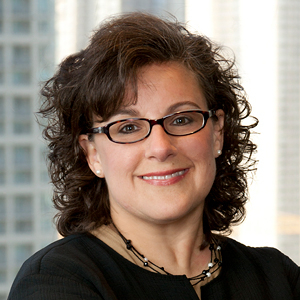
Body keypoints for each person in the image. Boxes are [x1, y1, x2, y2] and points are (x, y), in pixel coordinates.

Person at [8, 12, 299, 300]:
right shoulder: (55, 280)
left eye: (182, 119)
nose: (161, 148)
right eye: (128, 127)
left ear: (217, 132)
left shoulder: (276, 277)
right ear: (93, 154)